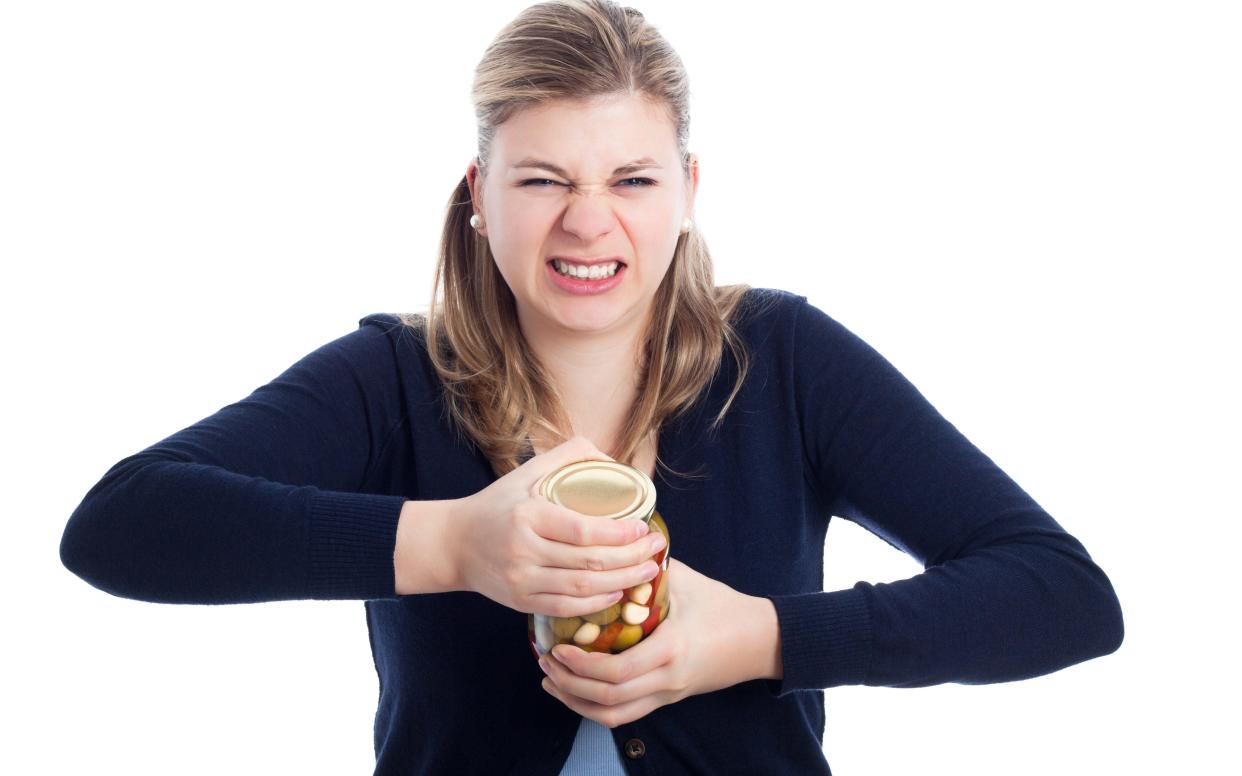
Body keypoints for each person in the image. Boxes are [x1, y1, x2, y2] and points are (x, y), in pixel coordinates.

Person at [58, 0, 1125, 773]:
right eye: (543, 180)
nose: (587, 221)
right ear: (481, 194)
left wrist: (759, 637)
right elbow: (121, 523)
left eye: (631, 179)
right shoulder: (395, 376)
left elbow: (1063, 596)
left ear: (688, 191)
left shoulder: (786, 357)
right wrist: (454, 544)